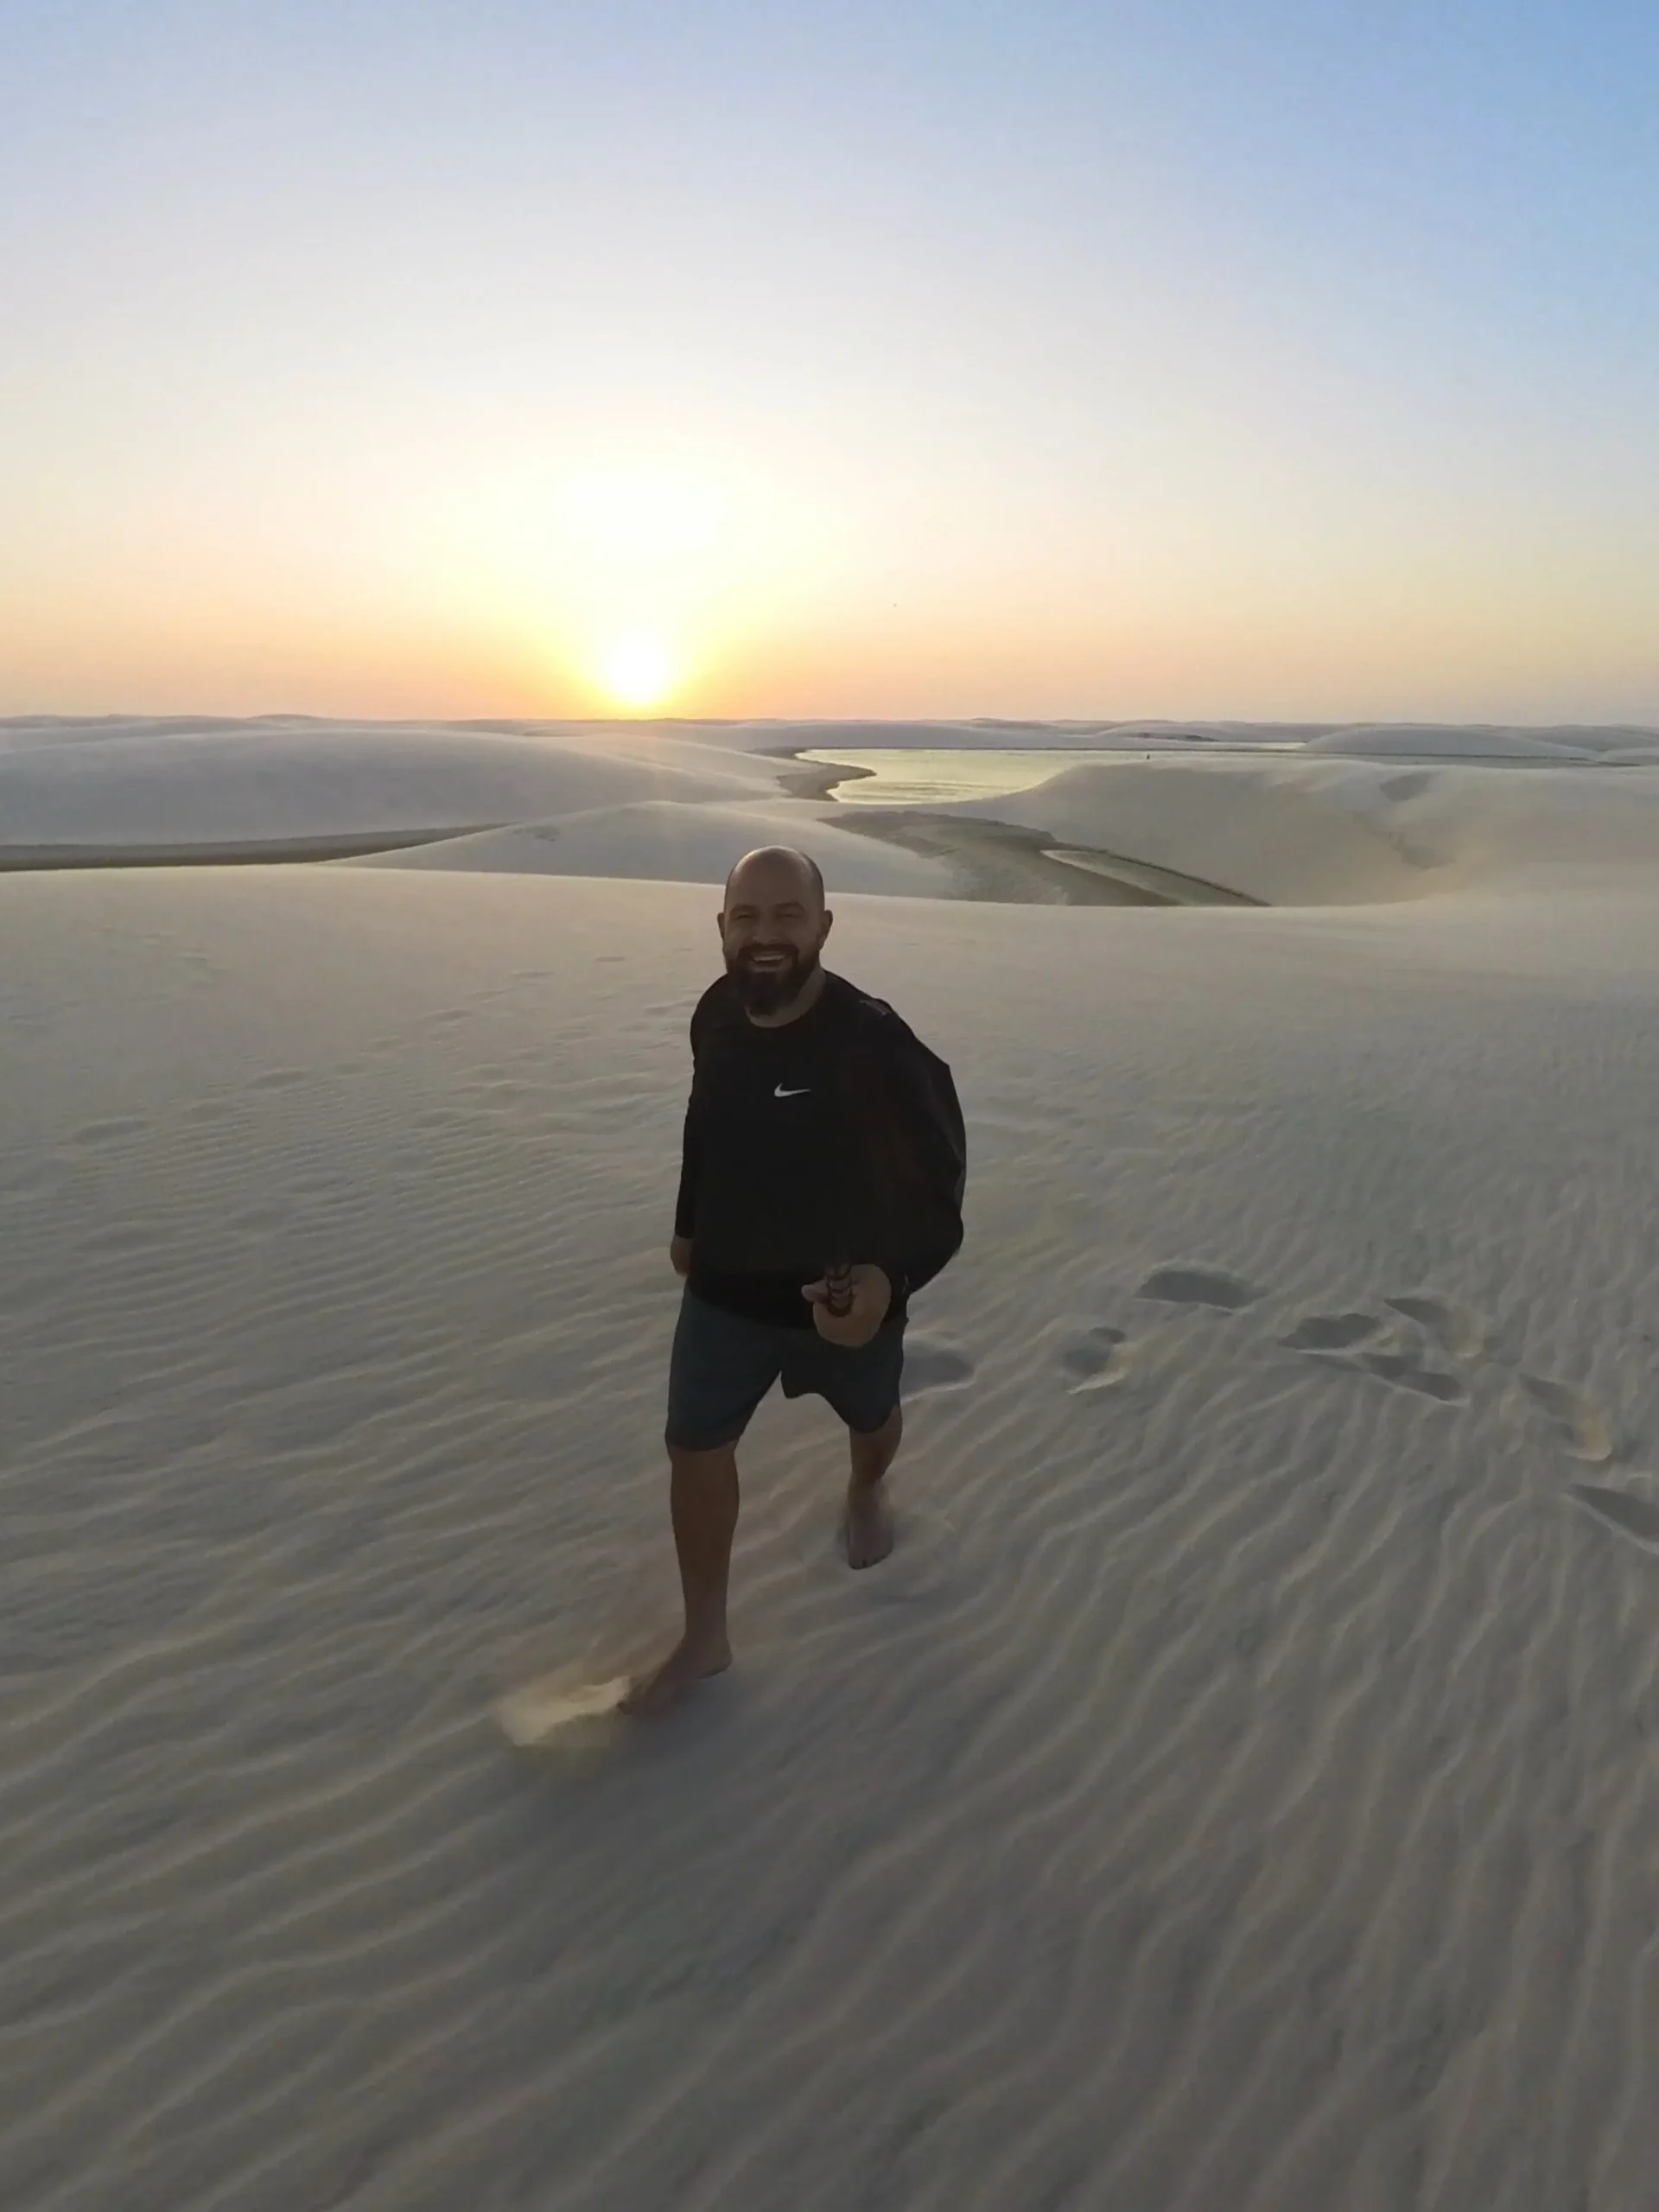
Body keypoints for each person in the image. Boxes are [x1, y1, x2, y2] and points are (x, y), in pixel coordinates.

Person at [622, 844, 966, 1715]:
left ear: (822, 925)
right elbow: (705, 1122)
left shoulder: (874, 1043)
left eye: (786, 916)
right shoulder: (716, 1014)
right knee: (693, 1445)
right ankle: (706, 1636)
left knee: (872, 1416)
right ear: (722, 927)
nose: (765, 935)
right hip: (727, 1288)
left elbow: (939, 1182)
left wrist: (890, 1280)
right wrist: (688, 1223)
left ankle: (865, 1485)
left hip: (840, 1294)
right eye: (747, 917)